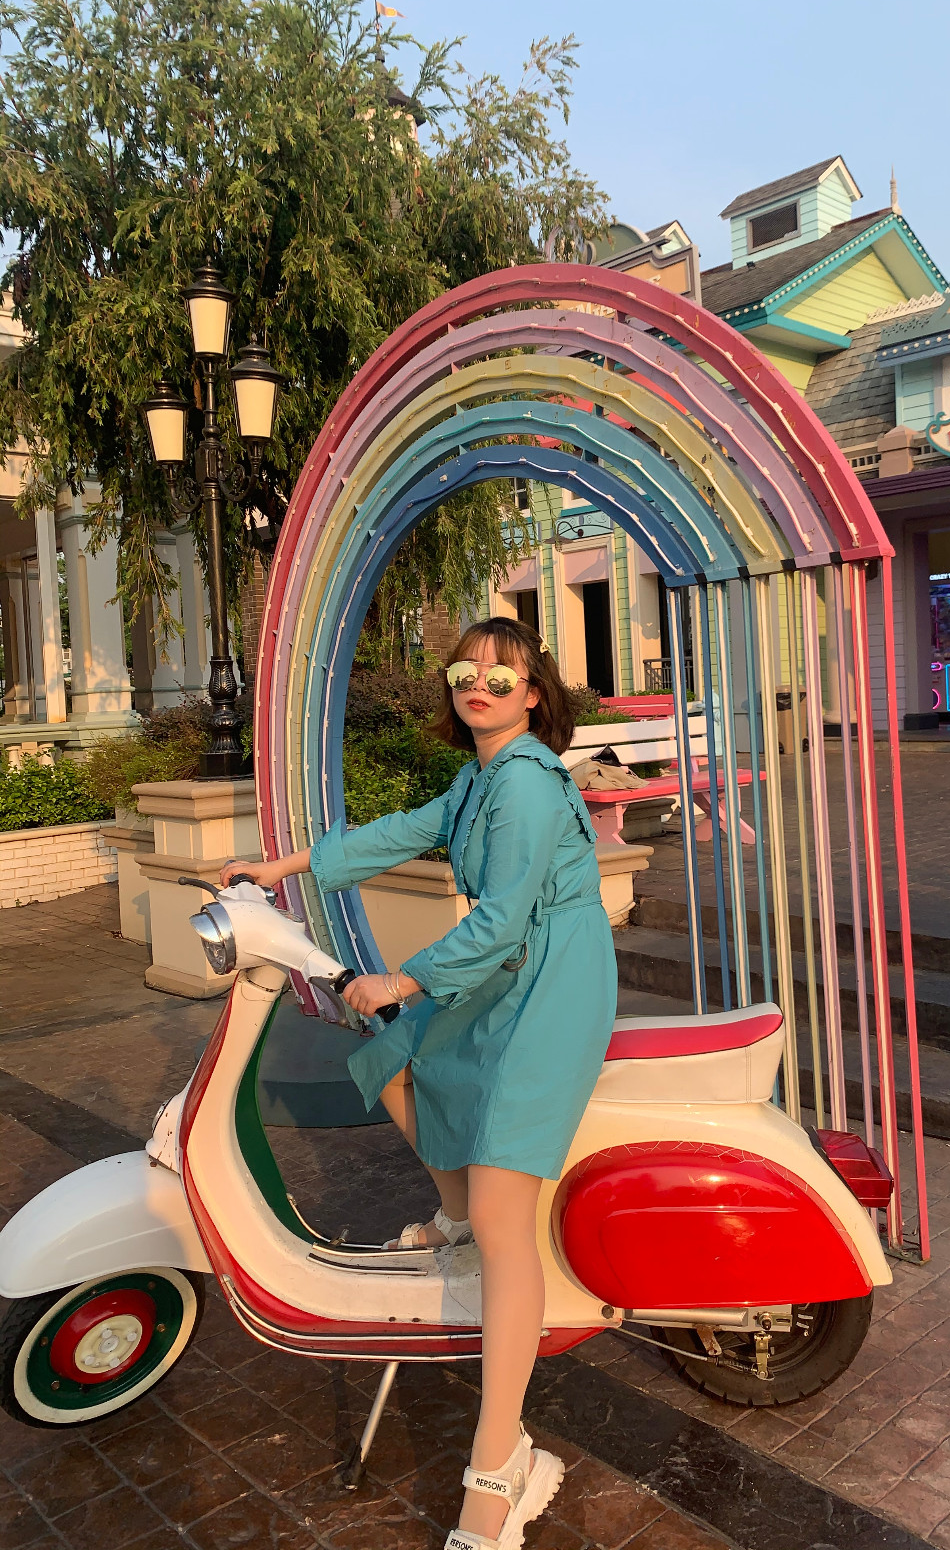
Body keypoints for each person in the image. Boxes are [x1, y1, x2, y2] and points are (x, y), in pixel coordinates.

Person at [221, 617, 617, 1550]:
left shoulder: (526, 782)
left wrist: (404, 979)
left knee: (507, 1218)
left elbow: (504, 918)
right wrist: (281, 868)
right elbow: (401, 833)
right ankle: (457, 1219)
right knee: (393, 1058)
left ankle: (501, 1465)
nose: (477, 685)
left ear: (534, 695)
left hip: (550, 981)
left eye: (501, 677)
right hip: (507, 966)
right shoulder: (478, 776)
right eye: (463, 671)